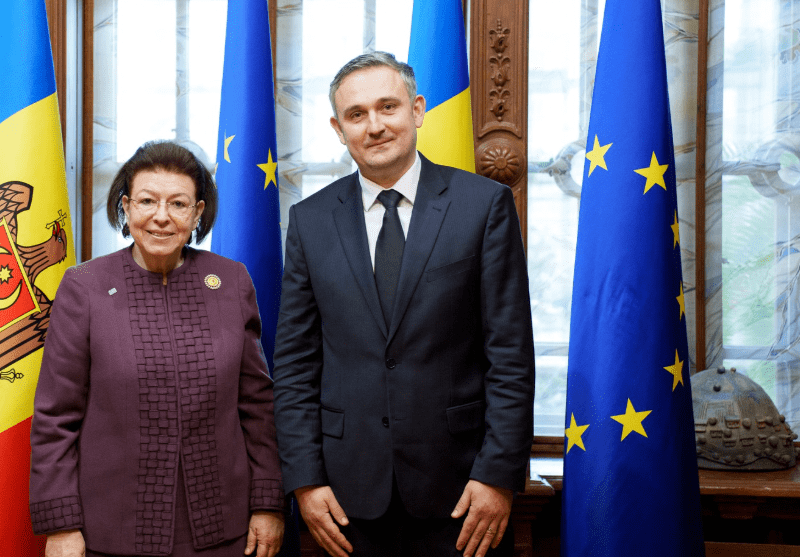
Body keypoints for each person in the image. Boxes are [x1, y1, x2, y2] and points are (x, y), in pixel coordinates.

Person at [272, 52, 535, 557]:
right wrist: (305, 480)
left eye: (387, 107)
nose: (374, 126)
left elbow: (510, 356)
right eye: (356, 114)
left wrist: (498, 476)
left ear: (417, 110)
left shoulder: (483, 206)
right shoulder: (310, 220)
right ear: (339, 129)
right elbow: (295, 365)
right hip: (345, 498)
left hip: (463, 492)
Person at [30, 141, 285, 557]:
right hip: (110, 531)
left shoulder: (231, 281)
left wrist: (268, 504)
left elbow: (257, 407)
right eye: (147, 201)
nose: (161, 216)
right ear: (126, 207)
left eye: (178, 204)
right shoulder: (84, 287)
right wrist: (61, 526)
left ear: (197, 213)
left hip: (223, 528)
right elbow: (55, 418)